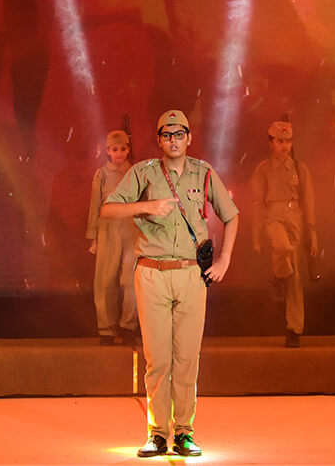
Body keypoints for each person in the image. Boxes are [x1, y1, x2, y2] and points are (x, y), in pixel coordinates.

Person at [100, 109, 238, 458]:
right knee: (158, 359)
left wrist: (224, 260)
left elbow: (232, 215)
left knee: (187, 358)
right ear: (158, 140)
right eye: (167, 135)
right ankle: (158, 433)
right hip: (152, 272)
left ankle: (184, 432)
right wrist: (146, 206)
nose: (174, 140)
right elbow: (108, 209)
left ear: (189, 138)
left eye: (179, 134)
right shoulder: (143, 172)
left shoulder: (203, 173)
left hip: (191, 274)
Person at [250, 120, 318, 348]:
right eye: (280, 141)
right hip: (273, 217)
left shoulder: (300, 169)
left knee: (295, 277)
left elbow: (308, 200)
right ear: (271, 143)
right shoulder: (263, 170)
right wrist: (256, 236)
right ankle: (278, 276)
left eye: (288, 141)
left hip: (295, 217)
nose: (284, 146)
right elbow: (257, 204)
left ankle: (294, 329)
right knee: (282, 245)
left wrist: (312, 230)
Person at [86, 129, 139, 345]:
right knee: (105, 280)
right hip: (107, 228)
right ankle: (106, 329)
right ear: (108, 151)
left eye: (123, 149)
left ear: (128, 150)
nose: (119, 153)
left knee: (131, 280)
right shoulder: (102, 174)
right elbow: (94, 205)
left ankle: (128, 326)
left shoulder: (136, 173)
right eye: (114, 149)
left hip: (131, 228)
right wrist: (93, 236)